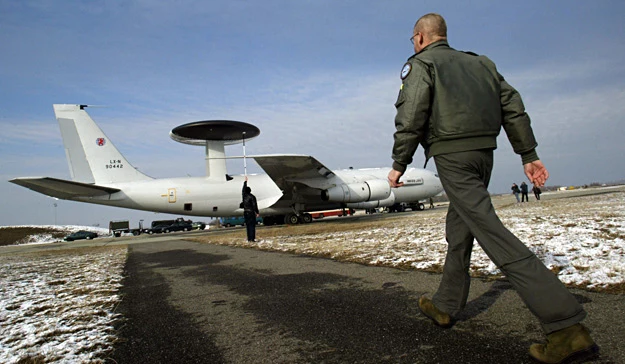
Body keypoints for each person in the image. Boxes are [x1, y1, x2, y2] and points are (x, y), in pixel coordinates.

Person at [387, 13, 597, 363]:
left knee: (490, 230)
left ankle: (566, 327)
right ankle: (445, 304)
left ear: (420, 37)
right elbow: (512, 106)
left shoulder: (421, 64)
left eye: (413, 40)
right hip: (484, 155)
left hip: (452, 155)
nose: (413, 45)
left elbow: (411, 116)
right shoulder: (482, 63)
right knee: (461, 225)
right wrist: (527, 153)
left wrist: (399, 164)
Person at [242, 176, 259, 242]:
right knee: (252, 226)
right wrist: (257, 212)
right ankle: (252, 238)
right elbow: (254, 205)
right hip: (251, 212)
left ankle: (249, 238)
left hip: (245, 212)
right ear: (250, 190)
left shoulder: (244, 196)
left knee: (248, 226)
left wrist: (245, 182)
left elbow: (243, 189)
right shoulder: (252, 197)